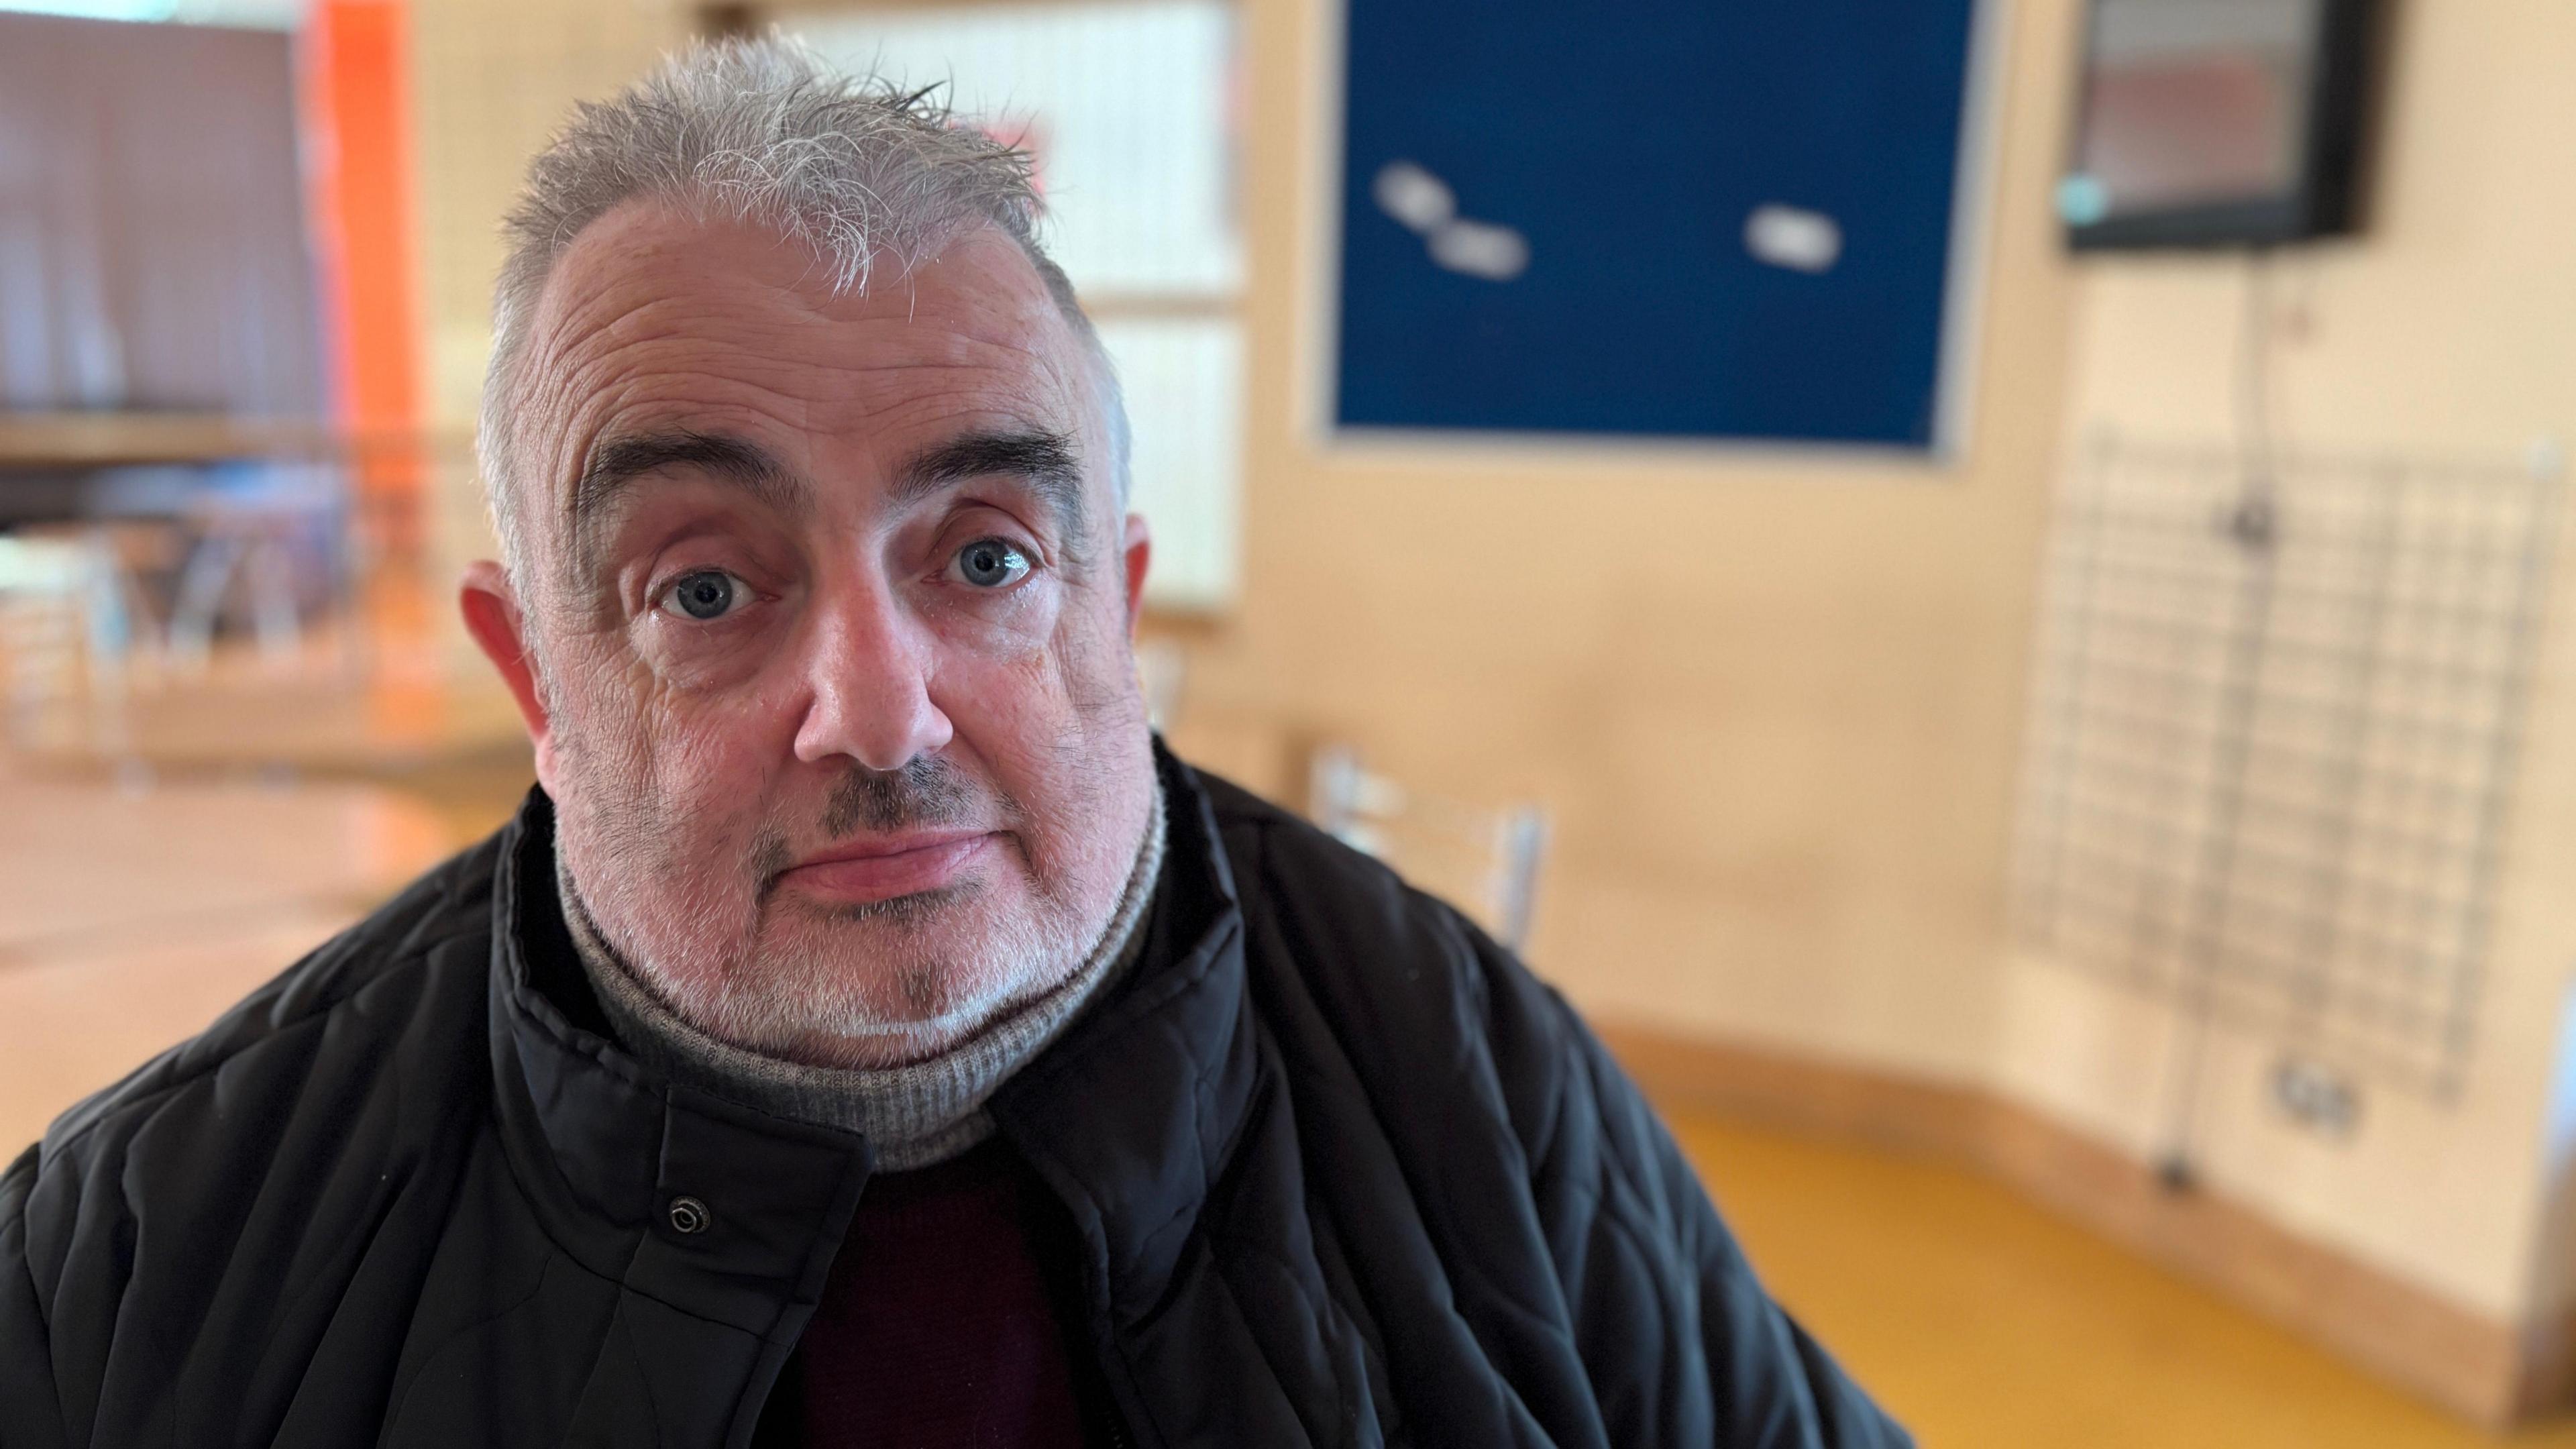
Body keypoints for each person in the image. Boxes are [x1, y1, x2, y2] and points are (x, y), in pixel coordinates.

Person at [0, 39, 1907, 1449]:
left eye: (987, 556)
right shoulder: (147, 1261)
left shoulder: (1476, 1087)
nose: (883, 710)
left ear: (1117, 607)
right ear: (535, 687)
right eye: (704, 591)